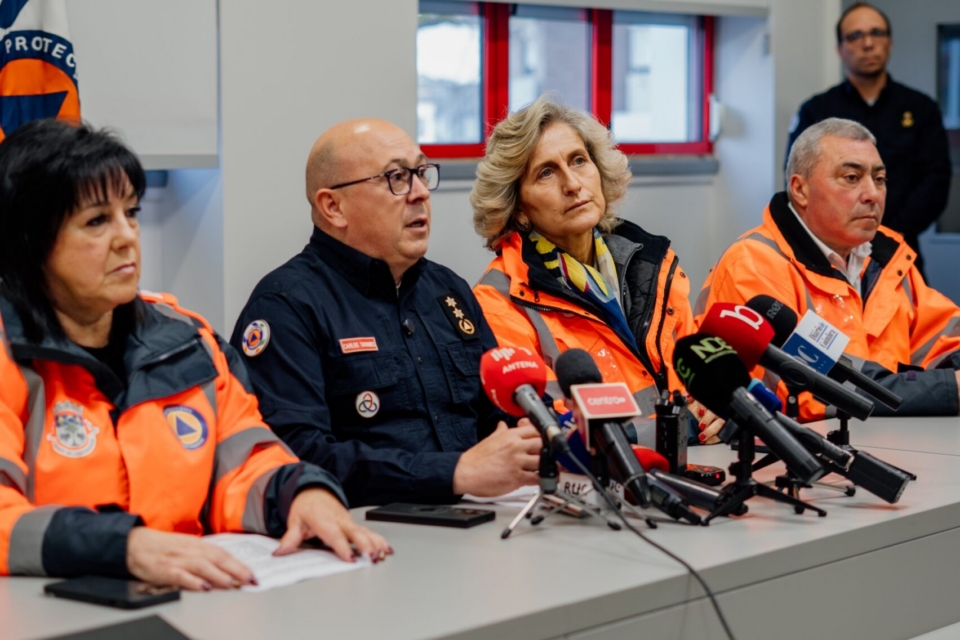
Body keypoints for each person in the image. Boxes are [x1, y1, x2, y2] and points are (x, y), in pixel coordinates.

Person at [0, 119, 390, 587]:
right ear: (29, 240)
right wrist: (125, 546)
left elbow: (244, 459)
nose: (126, 236)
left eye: (132, 212)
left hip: (193, 600)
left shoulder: (188, 340)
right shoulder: (9, 354)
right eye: (97, 221)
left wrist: (300, 493)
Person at [230, 118, 541, 507]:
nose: (421, 192)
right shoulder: (286, 306)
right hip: (367, 530)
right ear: (333, 207)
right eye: (396, 177)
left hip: (478, 519)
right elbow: (293, 456)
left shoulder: (449, 292)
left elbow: (500, 420)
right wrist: (455, 472)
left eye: (422, 173)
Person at [470, 96, 721, 445]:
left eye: (579, 161)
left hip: (695, 467)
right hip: (598, 485)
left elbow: (696, 387)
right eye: (546, 172)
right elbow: (560, 434)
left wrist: (720, 409)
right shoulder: (498, 301)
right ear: (519, 209)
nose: (572, 183)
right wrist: (679, 429)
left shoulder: (653, 264)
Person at [698, 117, 960, 422]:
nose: (872, 194)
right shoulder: (754, 263)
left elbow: (945, 337)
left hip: (896, 436)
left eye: (880, 179)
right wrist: (946, 389)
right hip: (797, 453)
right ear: (800, 189)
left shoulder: (888, 258)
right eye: (851, 177)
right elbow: (803, 391)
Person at [786, 2, 952, 275]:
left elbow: (935, 180)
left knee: (912, 314)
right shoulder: (817, 110)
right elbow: (799, 178)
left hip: (899, 248)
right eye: (855, 36)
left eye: (877, 33)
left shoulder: (920, 108)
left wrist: (885, 230)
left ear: (890, 42)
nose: (867, 43)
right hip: (829, 254)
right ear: (840, 48)